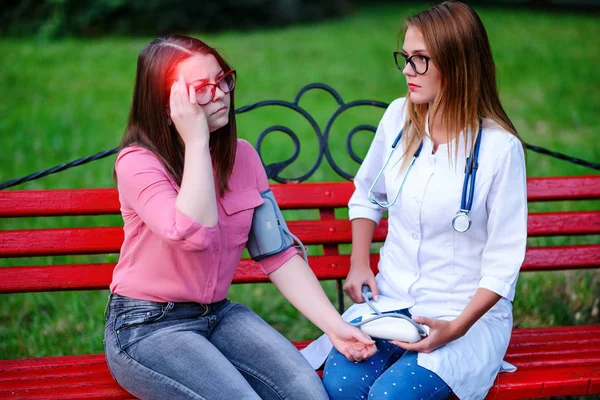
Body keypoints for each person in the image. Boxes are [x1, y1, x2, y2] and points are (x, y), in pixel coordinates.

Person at [103, 34, 376, 400]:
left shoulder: (242, 157)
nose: (219, 94)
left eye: (222, 80)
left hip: (217, 315)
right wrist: (197, 142)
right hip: (147, 326)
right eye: (200, 88)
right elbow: (192, 234)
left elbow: (278, 254)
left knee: (309, 394)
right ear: (167, 104)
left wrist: (335, 327)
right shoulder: (138, 163)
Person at [308, 2, 528, 399]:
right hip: (390, 307)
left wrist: (456, 328)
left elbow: (503, 264)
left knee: (390, 396)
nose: (408, 71)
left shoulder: (500, 150)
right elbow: (368, 193)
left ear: (458, 64)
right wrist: (359, 264)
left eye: (421, 60)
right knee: (340, 387)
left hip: (460, 319)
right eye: (406, 58)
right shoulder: (398, 119)